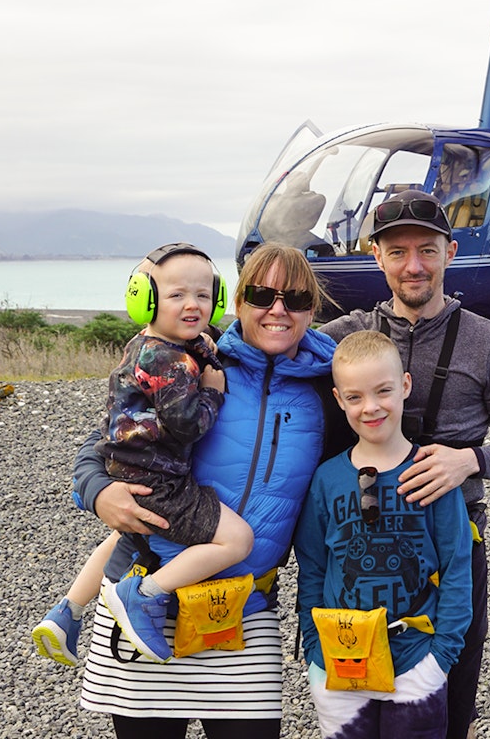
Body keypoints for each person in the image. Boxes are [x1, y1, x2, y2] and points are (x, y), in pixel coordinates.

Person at [70, 243, 347, 739]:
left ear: (313, 309)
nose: (278, 310)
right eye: (262, 294)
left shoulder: (331, 388)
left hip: (245, 611)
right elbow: (107, 441)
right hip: (147, 604)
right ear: (237, 301)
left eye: (297, 298)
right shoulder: (195, 362)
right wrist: (96, 492)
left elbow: (364, 464)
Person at [319, 189, 490, 739]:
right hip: (359, 544)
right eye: (397, 252)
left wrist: (468, 461)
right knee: (357, 698)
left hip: (454, 543)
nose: (413, 265)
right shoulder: (343, 338)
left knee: (450, 693)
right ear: (377, 256)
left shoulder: (488, 341)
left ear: (450, 251)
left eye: (426, 250)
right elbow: (264, 350)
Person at [33, 243, 253, 665]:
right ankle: (142, 595)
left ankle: (66, 613)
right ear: (146, 299)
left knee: (126, 533)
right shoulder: (169, 361)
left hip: (126, 465)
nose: (193, 305)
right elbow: (188, 424)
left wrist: (206, 349)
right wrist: (213, 393)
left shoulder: (147, 344)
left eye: (203, 295)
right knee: (237, 539)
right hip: (159, 478)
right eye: (176, 296)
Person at [294, 330, 472, 738]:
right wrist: (314, 654)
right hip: (340, 660)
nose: (370, 407)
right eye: (354, 397)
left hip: (416, 661)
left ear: (405, 385)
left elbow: (457, 567)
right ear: (339, 400)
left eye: (383, 391)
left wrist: (440, 658)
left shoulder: (433, 474)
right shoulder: (326, 480)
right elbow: (313, 571)